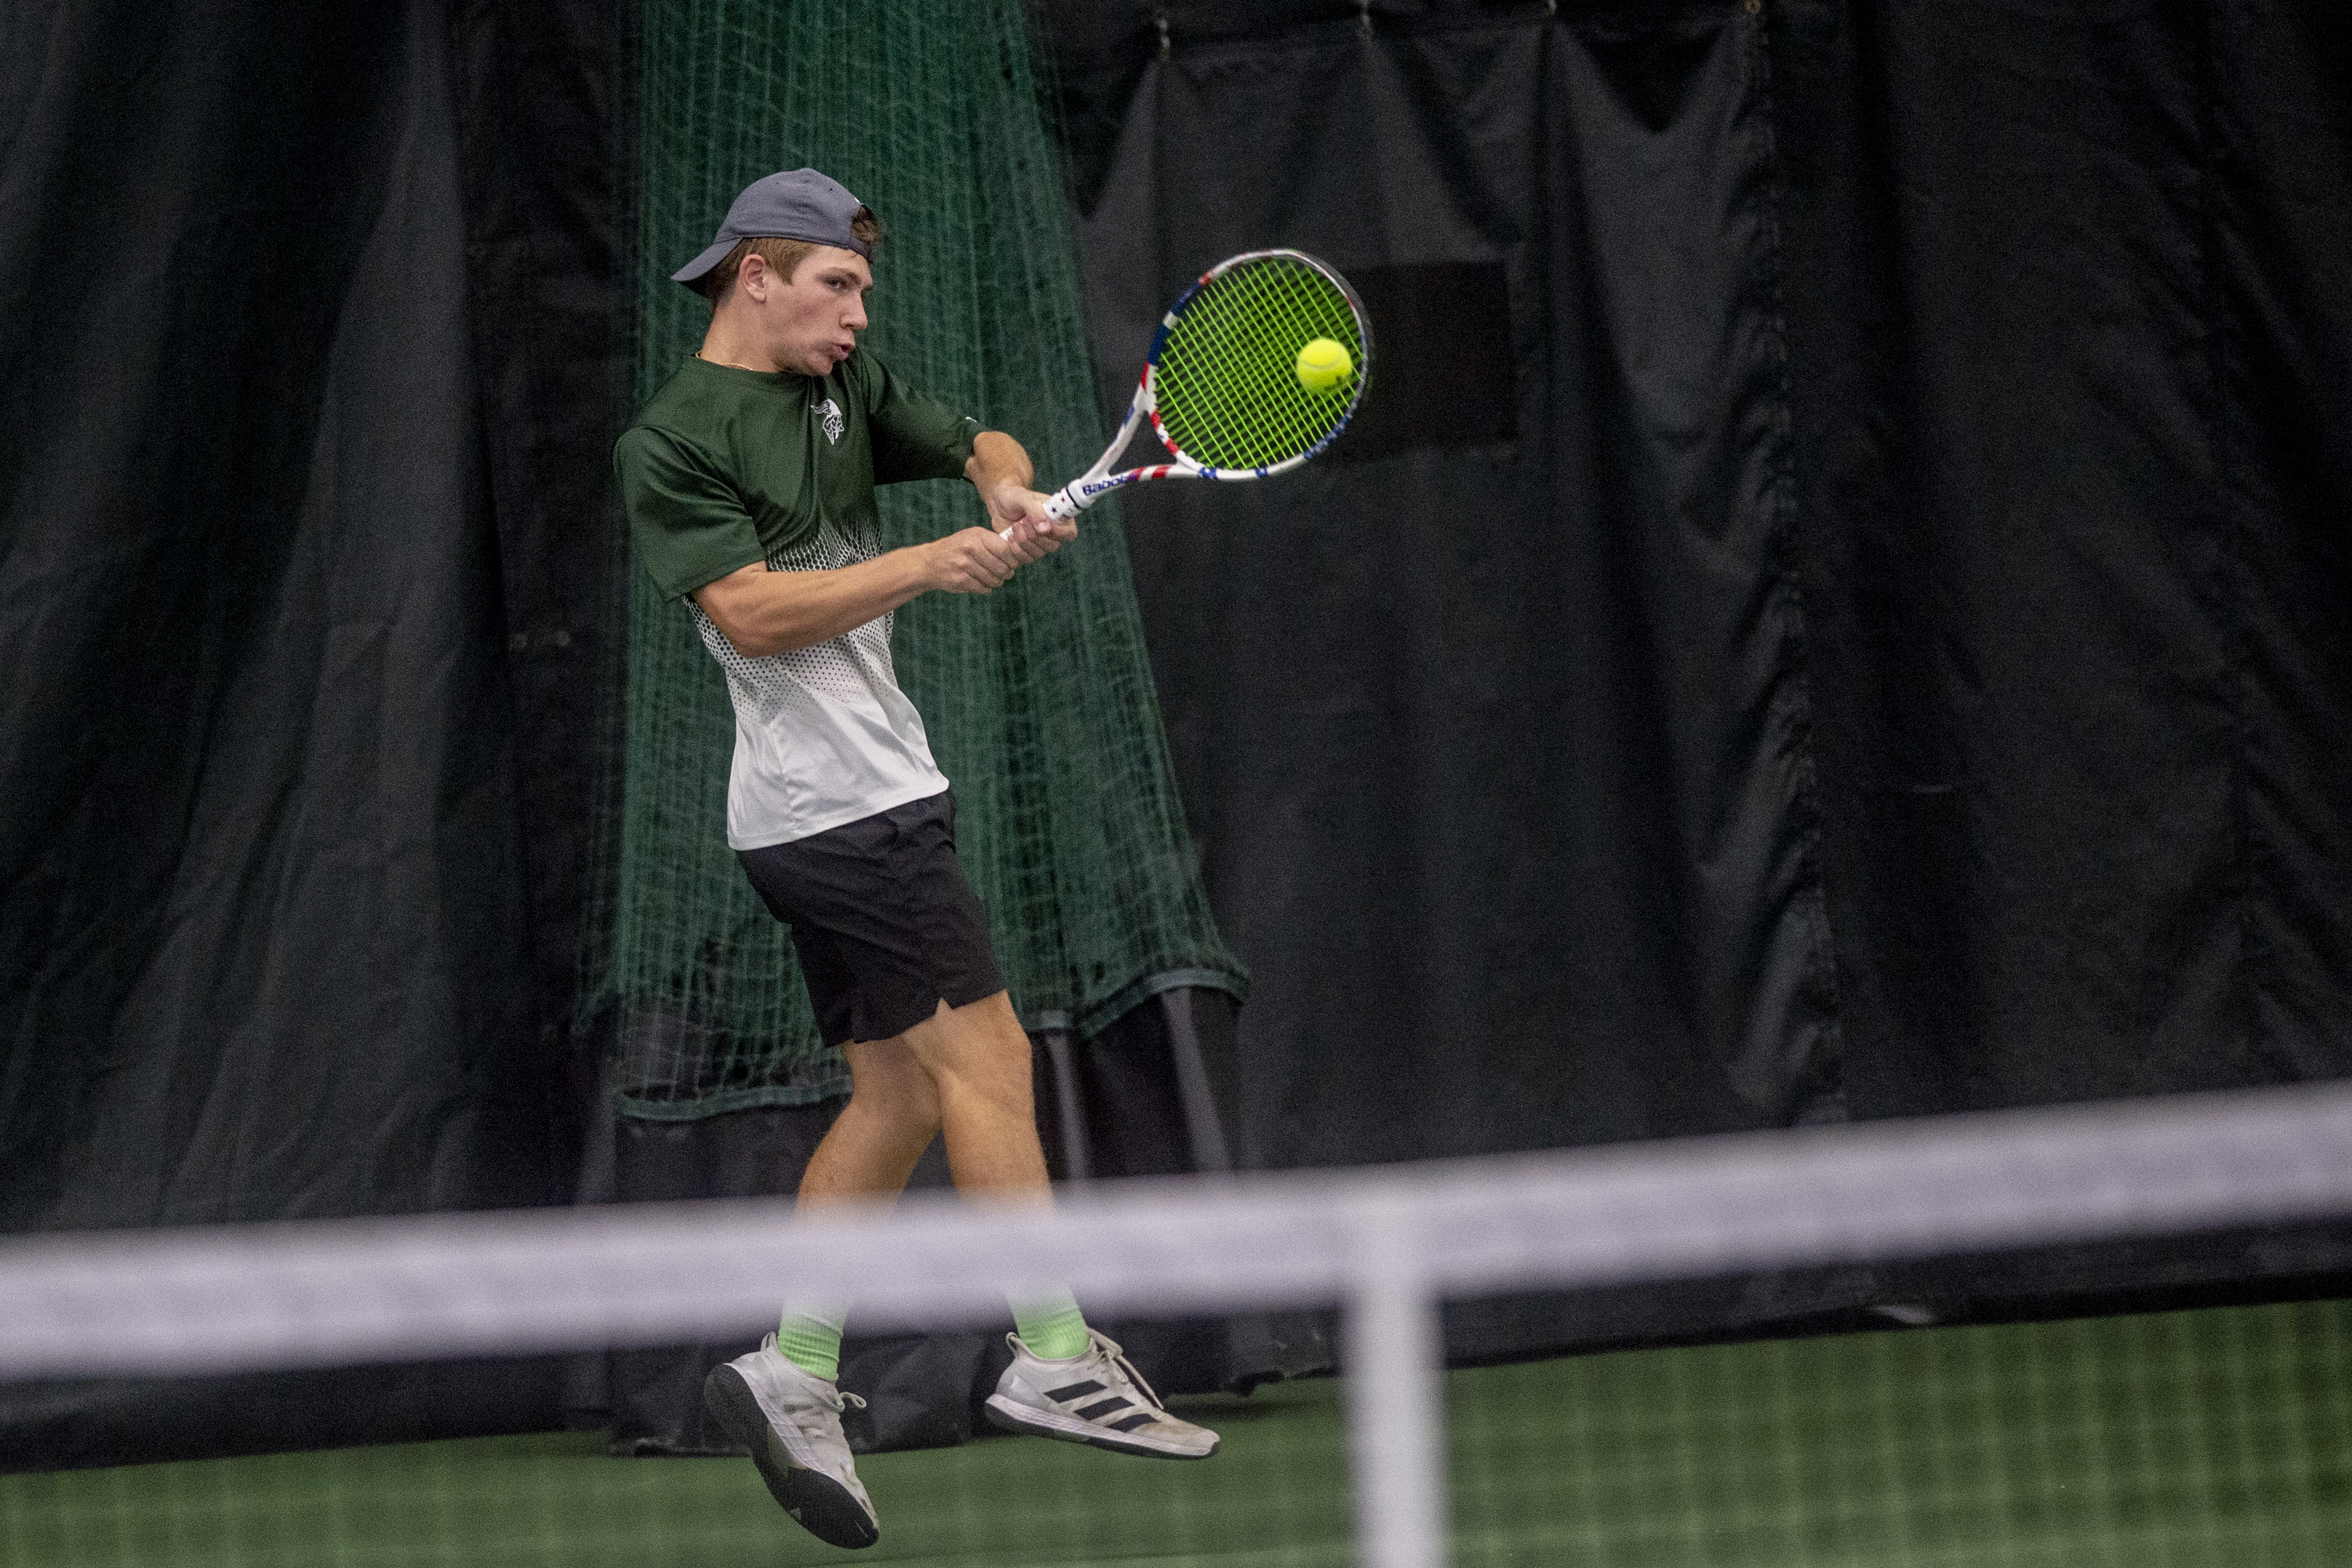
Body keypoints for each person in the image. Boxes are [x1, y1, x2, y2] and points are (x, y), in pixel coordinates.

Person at [611, 169, 1217, 1551]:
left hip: (859, 804)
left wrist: (1005, 493)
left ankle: (793, 1364)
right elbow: (753, 613)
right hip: (838, 817)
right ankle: (1056, 1353)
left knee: (894, 1099)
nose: (856, 309)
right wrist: (928, 567)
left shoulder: (836, 388)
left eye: (863, 291)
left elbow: (977, 435)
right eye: (837, 284)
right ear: (755, 273)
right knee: (988, 1065)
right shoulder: (671, 441)